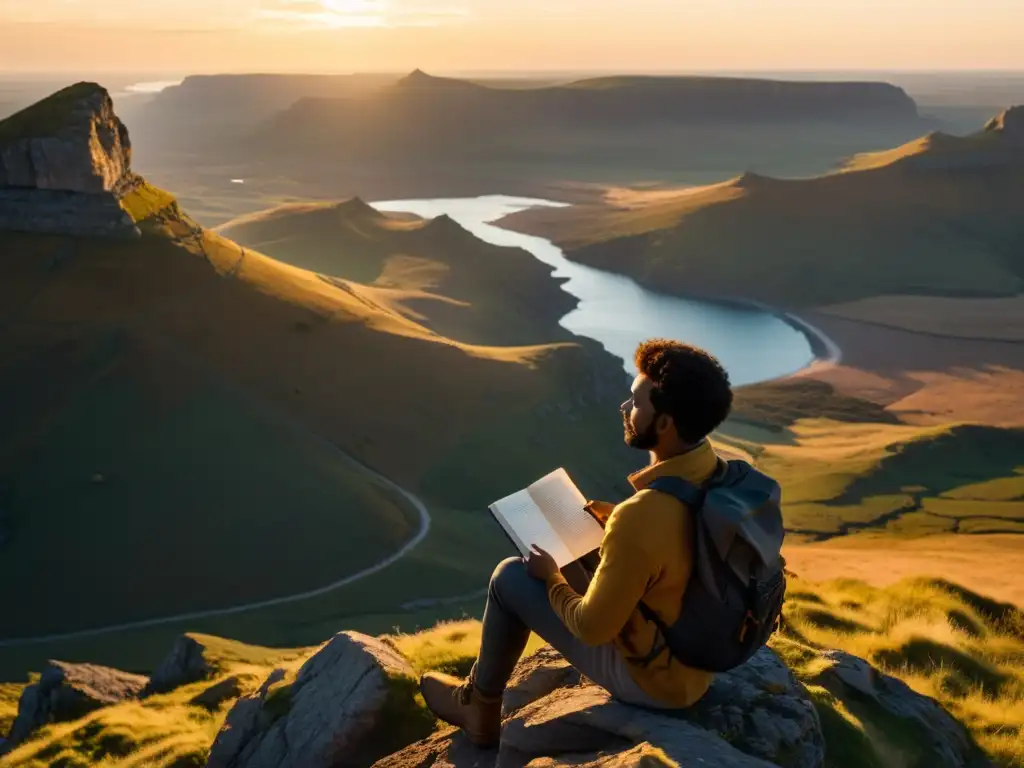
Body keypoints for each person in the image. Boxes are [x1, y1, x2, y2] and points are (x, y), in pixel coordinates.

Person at [419, 338, 735, 747]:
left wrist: (551, 579)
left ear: (666, 422)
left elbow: (592, 629)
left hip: (656, 684)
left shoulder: (643, 516)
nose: (625, 409)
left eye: (637, 402)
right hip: (698, 660)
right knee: (582, 559)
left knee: (510, 577)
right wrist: (616, 525)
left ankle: (477, 706)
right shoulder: (720, 475)